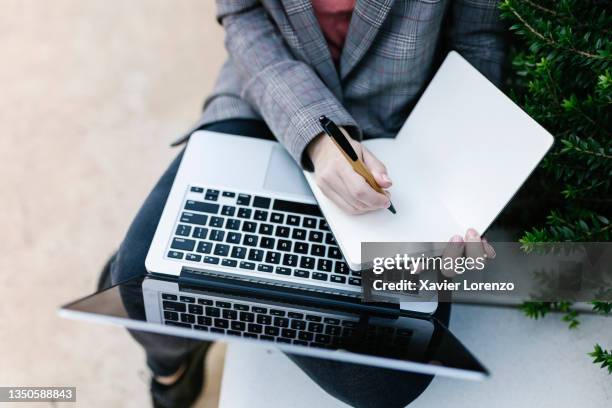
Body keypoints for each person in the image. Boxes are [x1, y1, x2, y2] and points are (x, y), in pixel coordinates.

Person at [110, 0, 506, 406]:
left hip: (402, 142)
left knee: (386, 376)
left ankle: (207, 304)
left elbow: (478, 43)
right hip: (267, 99)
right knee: (135, 282)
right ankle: (174, 361)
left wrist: (466, 196)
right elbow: (244, 16)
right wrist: (316, 136)